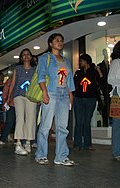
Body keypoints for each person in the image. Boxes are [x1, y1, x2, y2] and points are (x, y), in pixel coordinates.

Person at [35, 33, 75, 165]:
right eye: (56, 40)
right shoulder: (45, 58)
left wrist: (70, 95)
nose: (60, 42)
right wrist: (44, 92)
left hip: (64, 94)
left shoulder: (66, 61)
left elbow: (69, 80)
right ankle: (41, 155)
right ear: (50, 43)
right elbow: (41, 76)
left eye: (61, 40)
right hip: (51, 92)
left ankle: (61, 157)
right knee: (45, 125)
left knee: (63, 127)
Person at [7, 48, 37, 155]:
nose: (26, 56)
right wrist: (9, 98)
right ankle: (18, 144)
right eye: (23, 54)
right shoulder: (17, 68)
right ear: (21, 57)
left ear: (31, 56)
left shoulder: (35, 69)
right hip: (18, 95)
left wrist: (39, 97)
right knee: (20, 118)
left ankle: (28, 142)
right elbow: (13, 83)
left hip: (31, 96)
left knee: (30, 119)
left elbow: (38, 83)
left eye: (28, 54)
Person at [73, 54, 102, 151]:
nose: (80, 62)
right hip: (78, 99)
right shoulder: (78, 72)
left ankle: (87, 144)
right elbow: (74, 85)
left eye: (81, 61)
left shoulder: (93, 72)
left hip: (90, 99)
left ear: (86, 61)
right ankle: (77, 144)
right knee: (79, 122)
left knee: (87, 122)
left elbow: (101, 81)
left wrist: (99, 71)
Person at [0, 77, 15, 145]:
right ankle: (3, 138)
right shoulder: (10, 80)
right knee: (9, 121)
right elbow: (5, 92)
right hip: (11, 103)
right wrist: (4, 103)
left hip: (22, 104)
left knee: (19, 122)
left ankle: (19, 140)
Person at [97, 48, 112, 127]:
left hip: (112, 88)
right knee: (105, 105)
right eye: (105, 52)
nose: (107, 53)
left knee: (112, 105)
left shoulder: (113, 64)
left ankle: (111, 121)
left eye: (108, 52)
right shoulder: (99, 66)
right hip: (104, 89)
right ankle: (105, 122)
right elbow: (99, 79)